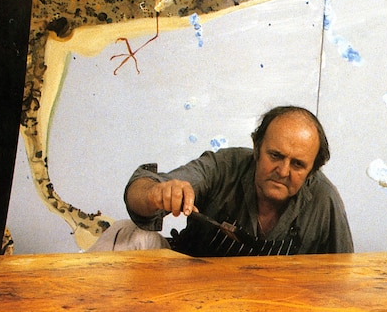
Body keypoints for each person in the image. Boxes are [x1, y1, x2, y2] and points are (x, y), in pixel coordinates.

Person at [100, 105, 353, 257]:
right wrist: (156, 193)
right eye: (275, 156)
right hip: (189, 292)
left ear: (312, 169)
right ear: (256, 147)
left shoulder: (324, 199)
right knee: (127, 234)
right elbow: (139, 188)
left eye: (298, 164)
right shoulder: (225, 166)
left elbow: (342, 276)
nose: (283, 171)